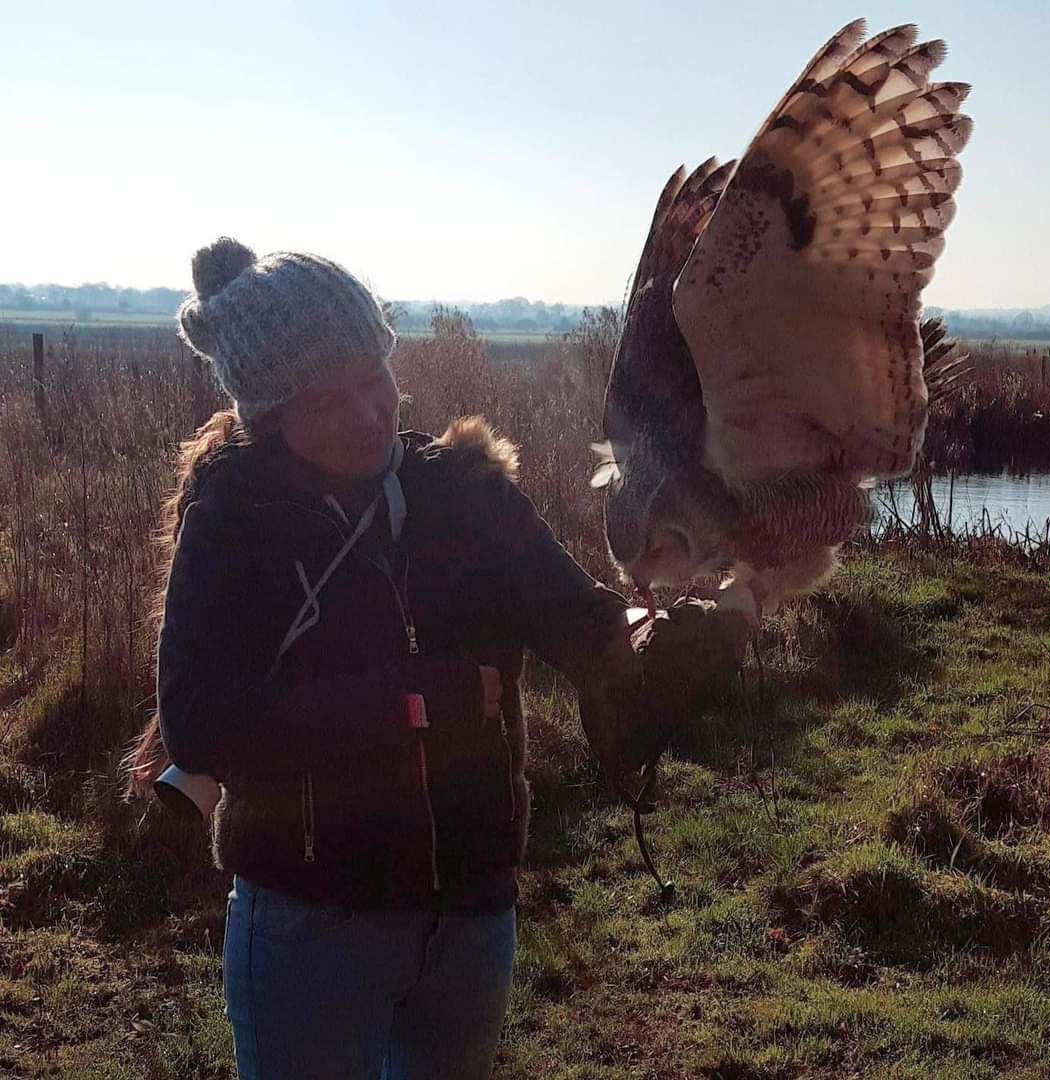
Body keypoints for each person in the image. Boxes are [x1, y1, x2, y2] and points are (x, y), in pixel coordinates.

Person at [143, 237, 757, 1079]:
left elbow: (576, 618)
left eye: (374, 377)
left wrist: (667, 638)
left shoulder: (466, 489)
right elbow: (201, 722)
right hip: (311, 924)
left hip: (472, 916)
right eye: (328, 399)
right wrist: (407, 703)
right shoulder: (233, 521)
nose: (367, 412)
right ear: (270, 417)